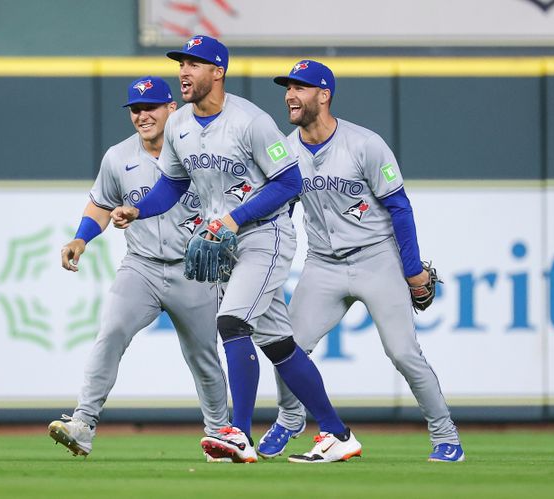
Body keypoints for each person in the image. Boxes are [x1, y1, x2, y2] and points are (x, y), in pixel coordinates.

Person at [111, 36, 361, 464]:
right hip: (224, 243)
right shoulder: (180, 124)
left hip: (264, 235)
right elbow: (173, 184)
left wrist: (232, 218)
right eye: (181, 64)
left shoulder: (251, 121)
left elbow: (289, 183)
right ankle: (338, 434)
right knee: (280, 344)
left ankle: (239, 434)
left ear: (218, 71)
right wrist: (138, 208)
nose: (184, 72)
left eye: (194, 63)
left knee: (230, 322)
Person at [261, 60, 465, 462]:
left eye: (300, 87)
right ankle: (289, 419)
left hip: (377, 259)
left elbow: (399, 208)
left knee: (403, 353)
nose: (290, 95)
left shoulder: (364, 144)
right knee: (288, 346)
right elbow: (281, 211)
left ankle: (446, 437)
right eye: (287, 88)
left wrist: (411, 270)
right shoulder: (286, 151)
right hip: (322, 265)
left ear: (324, 95)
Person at [48, 76, 232, 462]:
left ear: (172, 109)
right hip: (142, 266)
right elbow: (100, 204)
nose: (143, 115)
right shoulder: (118, 156)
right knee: (111, 331)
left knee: (203, 355)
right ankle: (83, 423)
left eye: (151, 107)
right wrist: (81, 238)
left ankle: (220, 434)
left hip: (194, 267)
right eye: (136, 108)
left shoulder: (199, 153)